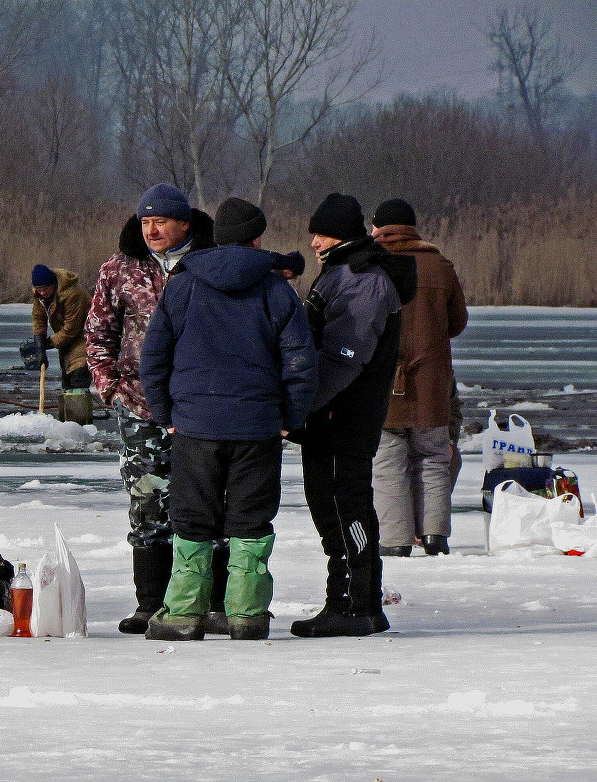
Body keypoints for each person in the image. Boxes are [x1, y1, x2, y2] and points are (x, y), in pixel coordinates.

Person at [140, 197, 318, 641]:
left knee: (191, 518)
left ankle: (182, 615)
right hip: (257, 426)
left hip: (195, 425)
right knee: (251, 519)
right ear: (257, 238)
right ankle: (246, 616)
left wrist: (167, 414)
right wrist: (289, 418)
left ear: (215, 236)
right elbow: (300, 363)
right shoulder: (277, 289)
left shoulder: (182, 285)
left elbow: (153, 359)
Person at [85, 183, 215, 635]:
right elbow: (98, 333)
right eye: (145, 221)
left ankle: (207, 600)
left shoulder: (209, 264)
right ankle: (150, 601)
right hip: (140, 405)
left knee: (204, 501)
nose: (152, 229)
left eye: (161, 221)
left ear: (185, 223)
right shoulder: (120, 269)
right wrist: (110, 390)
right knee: (148, 502)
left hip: (199, 403)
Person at [287, 193, 416, 638]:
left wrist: (299, 404)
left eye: (321, 234)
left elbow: (345, 357)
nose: (315, 243)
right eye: (313, 234)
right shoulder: (343, 272)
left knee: (346, 507)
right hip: (330, 416)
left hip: (345, 416)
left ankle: (356, 603)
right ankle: (352, 600)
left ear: (342, 234)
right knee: (331, 508)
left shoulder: (363, 279)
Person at [369, 199, 468, 557]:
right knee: (433, 457)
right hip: (431, 381)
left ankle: (394, 541)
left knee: (388, 459)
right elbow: (457, 323)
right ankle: (434, 536)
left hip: (383, 378)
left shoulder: (371, 265)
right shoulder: (440, 266)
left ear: (378, 227)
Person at [30, 264, 91, 392]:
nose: (42, 292)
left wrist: (50, 342)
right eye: (39, 289)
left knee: (79, 377)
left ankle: (80, 409)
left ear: (53, 285)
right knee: (67, 382)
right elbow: (38, 318)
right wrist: (39, 342)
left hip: (86, 336)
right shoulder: (40, 295)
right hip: (67, 343)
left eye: (45, 289)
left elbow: (71, 328)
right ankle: (69, 409)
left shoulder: (72, 293)